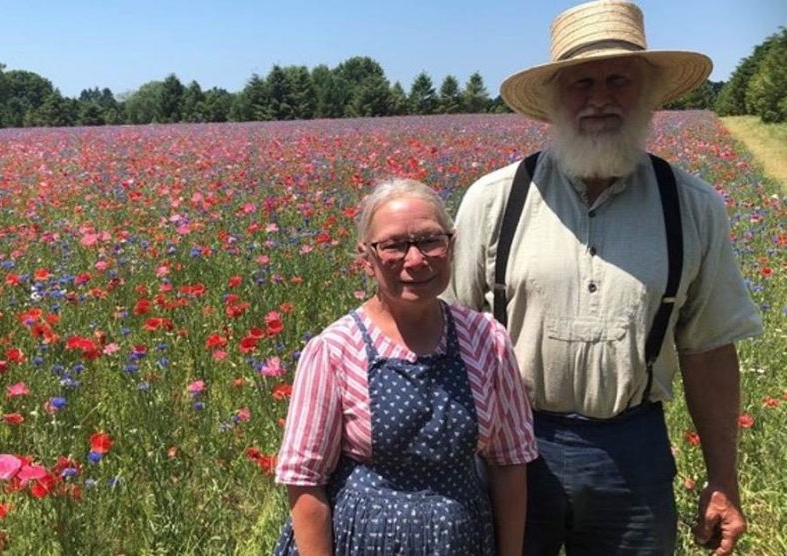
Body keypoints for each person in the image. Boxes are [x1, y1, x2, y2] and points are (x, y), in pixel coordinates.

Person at [445, 1, 764, 555]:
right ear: (553, 98)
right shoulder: (494, 199)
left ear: (645, 92)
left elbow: (709, 350)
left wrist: (723, 479)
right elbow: (447, 338)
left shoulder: (691, 205)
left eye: (618, 79)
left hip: (633, 451)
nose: (599, 98)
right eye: (581, 82)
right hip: (514, 446)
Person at [273, 178, 537, 555]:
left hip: (462, 541)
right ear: (367, 258)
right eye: (394, 245)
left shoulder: (486, 339)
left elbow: (508, 462)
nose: (416, 260)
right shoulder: (335, 350)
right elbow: (304, 481)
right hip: (363, 541)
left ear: (451, 245)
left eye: (430, 240)